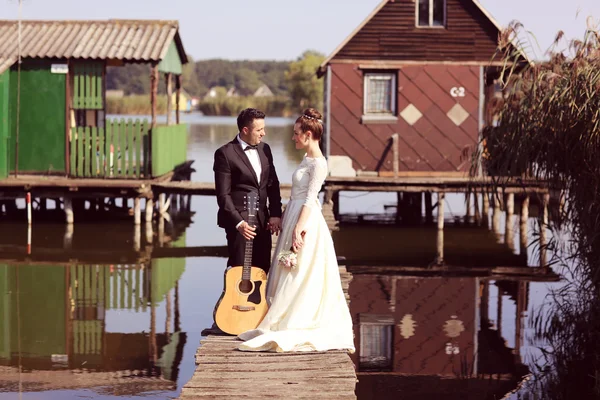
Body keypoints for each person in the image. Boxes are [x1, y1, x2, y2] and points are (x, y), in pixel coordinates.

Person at [237, 108, 355, 353]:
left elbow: (311, 199)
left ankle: (295, 316)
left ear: (309, 135)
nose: (293, 138)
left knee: (299, 270)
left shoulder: (319, 164)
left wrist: (298, 229)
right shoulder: (308, 159)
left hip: (305, 220)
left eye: (296, 134)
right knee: (285, 267)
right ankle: (281, 311)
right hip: (293, 214)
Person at [213, 108, 282, 274]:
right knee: (239, 272)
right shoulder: (225, 153)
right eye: (259, 130)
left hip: (263, 221)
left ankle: (259, 300)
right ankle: (236, 301)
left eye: (263, 129)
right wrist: (239, 223)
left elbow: (273, 184)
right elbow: (223, 196)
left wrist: (275, 214)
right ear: (245, 130)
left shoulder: (265, 150)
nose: (263, 133)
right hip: (240, 224)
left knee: (262, 270)